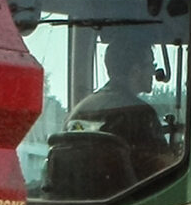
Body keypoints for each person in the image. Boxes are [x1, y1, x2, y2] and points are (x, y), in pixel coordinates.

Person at [66, 33, 175, 180]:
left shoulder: (79, 111)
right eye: (152, 65)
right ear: (136, 70)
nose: (154, 72)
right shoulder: (139, 113)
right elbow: (165, 167)